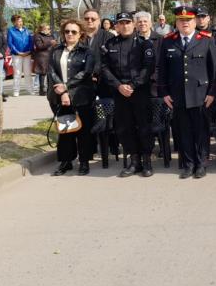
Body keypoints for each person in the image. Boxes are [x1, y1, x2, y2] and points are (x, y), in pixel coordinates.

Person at [158, 6, 216, 179]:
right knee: (183, 131)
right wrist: (164, 92)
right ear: (176, 22)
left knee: (201, 131)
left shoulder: (206, 40)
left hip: (201, 94)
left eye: (188, 20)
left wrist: (212, 92)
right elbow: (162, 69)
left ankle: (201, 163)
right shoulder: (168, 41)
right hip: (177, 95)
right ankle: (188, 163)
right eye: (181, 20)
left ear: (195, 21)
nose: (185, 23)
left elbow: (214, 69)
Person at [101, 12, 156, 177]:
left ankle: (146, 161)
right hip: (119, 93)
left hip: (139, 91)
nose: (124, 25)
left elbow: (148, 68)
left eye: (127, 22)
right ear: (116, 26)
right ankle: (134, 161)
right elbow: (104, 68)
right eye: (121, 23)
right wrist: (119, 86)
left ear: (133, 24)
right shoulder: (109, 44)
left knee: (144, 126)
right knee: (125, 128)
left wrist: (132, 85)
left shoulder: (143, 44)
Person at [48, 19, 96, 176]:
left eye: (73, 31)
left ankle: (84, 162)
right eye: (67, 31)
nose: (70, 34)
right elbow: (51, 71)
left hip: (81, 96)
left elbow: (86, 72)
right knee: (65, 130)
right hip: (60, 96)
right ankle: (66, 161)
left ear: (80, 33)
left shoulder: (87, 51)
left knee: (83, 131)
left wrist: (66, 87)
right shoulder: (55, 50)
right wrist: (62, 92)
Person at [7, 14, 34, 96]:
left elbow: (31, 42)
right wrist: (17, 52)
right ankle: (16, 90)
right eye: (18, 21)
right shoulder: (11, 31)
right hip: (17, 55)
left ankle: (30, 89)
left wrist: (29, 51)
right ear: (14, 22)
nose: (20, 23)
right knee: (17, 73)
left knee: (27, 72)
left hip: (27, 54)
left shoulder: (27, 30)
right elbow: (10, 43)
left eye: (21, 21)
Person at [33, 24, 56, 96]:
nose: (49, 30)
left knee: (50, 73)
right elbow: (39, 46)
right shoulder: (37, 36)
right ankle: (42, 90)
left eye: (49, 28)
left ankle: (49, 89)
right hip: (42, 56)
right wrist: (50, 43)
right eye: (47, 29)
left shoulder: (51, 36)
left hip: (50, 55)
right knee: (42, 73)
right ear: (42, 29)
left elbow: (54, 45)